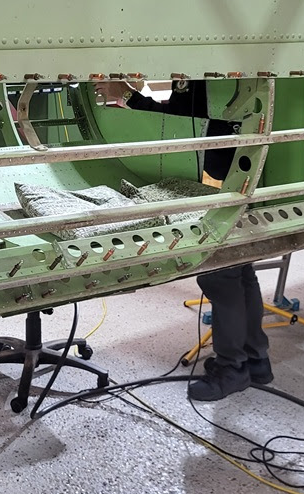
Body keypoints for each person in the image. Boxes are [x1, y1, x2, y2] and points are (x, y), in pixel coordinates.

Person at [96, 79, 272, 401]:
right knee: (241, 269)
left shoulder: (211, 67)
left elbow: (182, 115)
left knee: (220, 273)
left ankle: (233, 368)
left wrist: (125, 94)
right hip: (250, 168)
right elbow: (185, 111)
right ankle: (256, 359)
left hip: (234, 170)